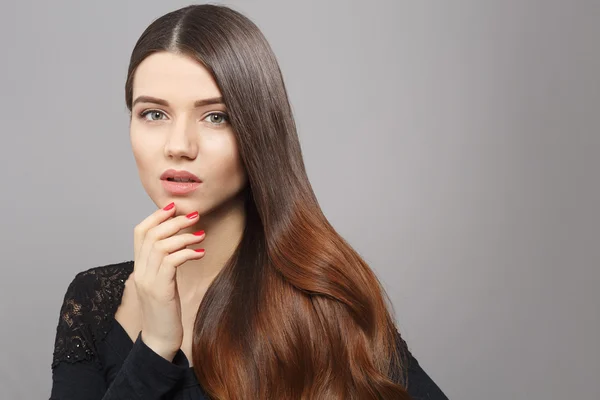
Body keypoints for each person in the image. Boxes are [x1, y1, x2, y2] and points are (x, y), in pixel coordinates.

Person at [49, 4, 448, 400]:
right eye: (154, 114)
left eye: (216, 117)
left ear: (258, 130)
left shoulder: (324, 302)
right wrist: (154, 346)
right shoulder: (93, 300)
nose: (179, 146)